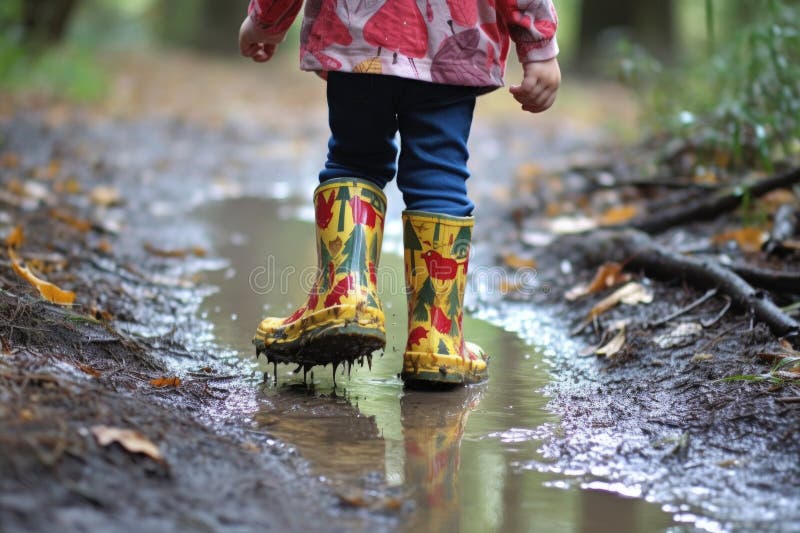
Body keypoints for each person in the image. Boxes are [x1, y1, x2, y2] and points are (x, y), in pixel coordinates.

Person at [240, 0, 560, 387]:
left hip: (358, 38)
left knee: (355, 161)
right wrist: (538, 45)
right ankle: (437, 339)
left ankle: (346, 294)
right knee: (439, 176)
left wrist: (266, 21)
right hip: (451, 44)